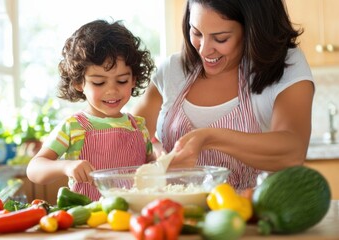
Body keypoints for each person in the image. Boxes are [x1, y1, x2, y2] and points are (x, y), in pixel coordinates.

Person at [132, 0, 314, 190]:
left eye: (220, 38)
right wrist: (156, 152)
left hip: (248, 215)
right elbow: (131, 135)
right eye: (196, 32)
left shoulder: (285, 65)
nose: (204, 49)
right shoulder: (172, 69)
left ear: (253, 31)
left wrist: (209, 137)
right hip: (173, 214)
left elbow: (293, 152)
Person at [26, 19, 155, 200]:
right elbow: (34, 168)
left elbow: (152, 167)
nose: (112, 90)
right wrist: (66, 166)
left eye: (122, 80)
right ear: (79, 82)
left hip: (130, 219)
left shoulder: (139, 127)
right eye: (99, 82)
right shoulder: (74, 127)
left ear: (134, 79)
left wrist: (162, 160)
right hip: (88, 219)